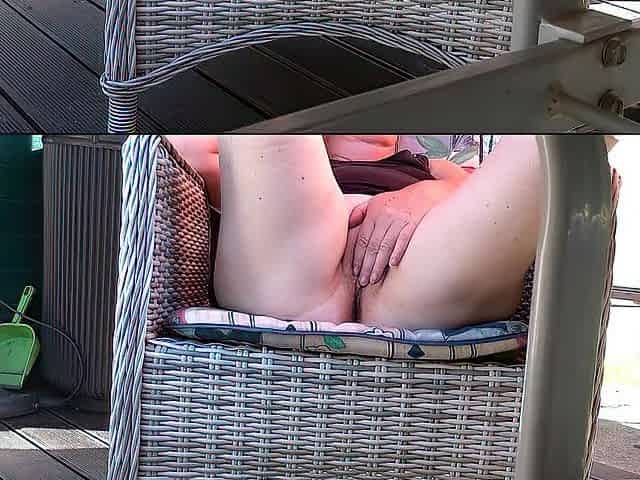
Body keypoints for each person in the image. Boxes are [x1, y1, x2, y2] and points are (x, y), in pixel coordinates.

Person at [166, 134, 543, 330]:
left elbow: (473, 191)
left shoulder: (429, 165)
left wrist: (422, 193)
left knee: (538, 157)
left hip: (416, 269)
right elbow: (187, 154)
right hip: (294, 265)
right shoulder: (303, 160)